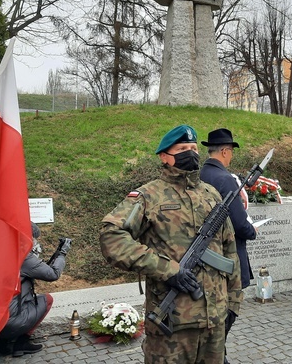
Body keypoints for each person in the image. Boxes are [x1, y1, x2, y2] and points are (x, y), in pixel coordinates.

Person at [99, 125, 242, 364]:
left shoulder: (212, 195)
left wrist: (234, 303)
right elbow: (111, 236)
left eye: (194, 148)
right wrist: (167, 269)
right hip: (172, 324)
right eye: (183, 148)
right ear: (164, 156)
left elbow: (229, 251)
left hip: (214, 322)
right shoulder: (149, 196)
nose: (191, 152)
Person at [200, 128, 256, 364]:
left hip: (205, 262)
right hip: (227, 259)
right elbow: (240, 225)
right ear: (224, 151)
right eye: (230, 151)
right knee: (225, 318)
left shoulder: (200, 174)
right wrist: (253, 229)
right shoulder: (224, 179)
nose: (231, 156)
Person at [0, 222, 71, 357]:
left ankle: (2, 344)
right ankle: (21, 343)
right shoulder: (24, 257)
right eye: (35, 239)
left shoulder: (1, 252)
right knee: (47, 299)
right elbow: (52, 274)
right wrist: (63, 252)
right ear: (28, 238)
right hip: (10, 322)